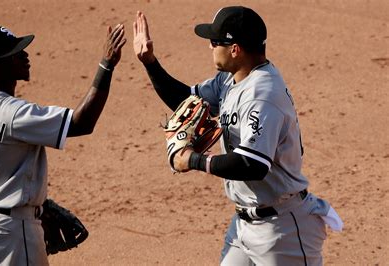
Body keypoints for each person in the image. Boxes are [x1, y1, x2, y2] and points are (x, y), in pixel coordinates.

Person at [133, 6, 343, 265]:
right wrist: (150, 63)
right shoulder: (229, 80)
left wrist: (193, 160)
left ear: (235, 49)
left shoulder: (262, 93)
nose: (210, 47)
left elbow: (252, 164)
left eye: (215, 42)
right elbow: (187, 102)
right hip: (244, 227)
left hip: (283, 230)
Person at [0, 24, 126, 265]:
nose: (25, 55)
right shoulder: (12, 114)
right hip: (10, 231)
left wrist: (36, 203)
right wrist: (106, 64)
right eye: (14, 54)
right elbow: (82, 123)